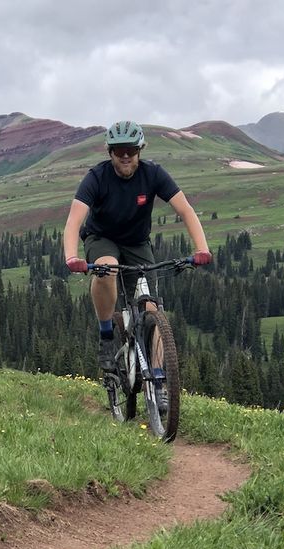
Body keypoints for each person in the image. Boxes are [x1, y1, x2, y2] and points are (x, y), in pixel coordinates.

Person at [61, 120, 212, 373]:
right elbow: (73, 221)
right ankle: (106, 335)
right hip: (101, 238)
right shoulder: (97, 177)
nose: (126, 156)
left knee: (151, 308)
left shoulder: (153, 174)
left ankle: (159, 378)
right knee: (106, 269)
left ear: (140, 150)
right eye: (119, 151)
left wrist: (202, 249)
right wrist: (71, 256)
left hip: (137, 242)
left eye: (131, 150)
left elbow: (185, 210)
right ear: (110, 153)